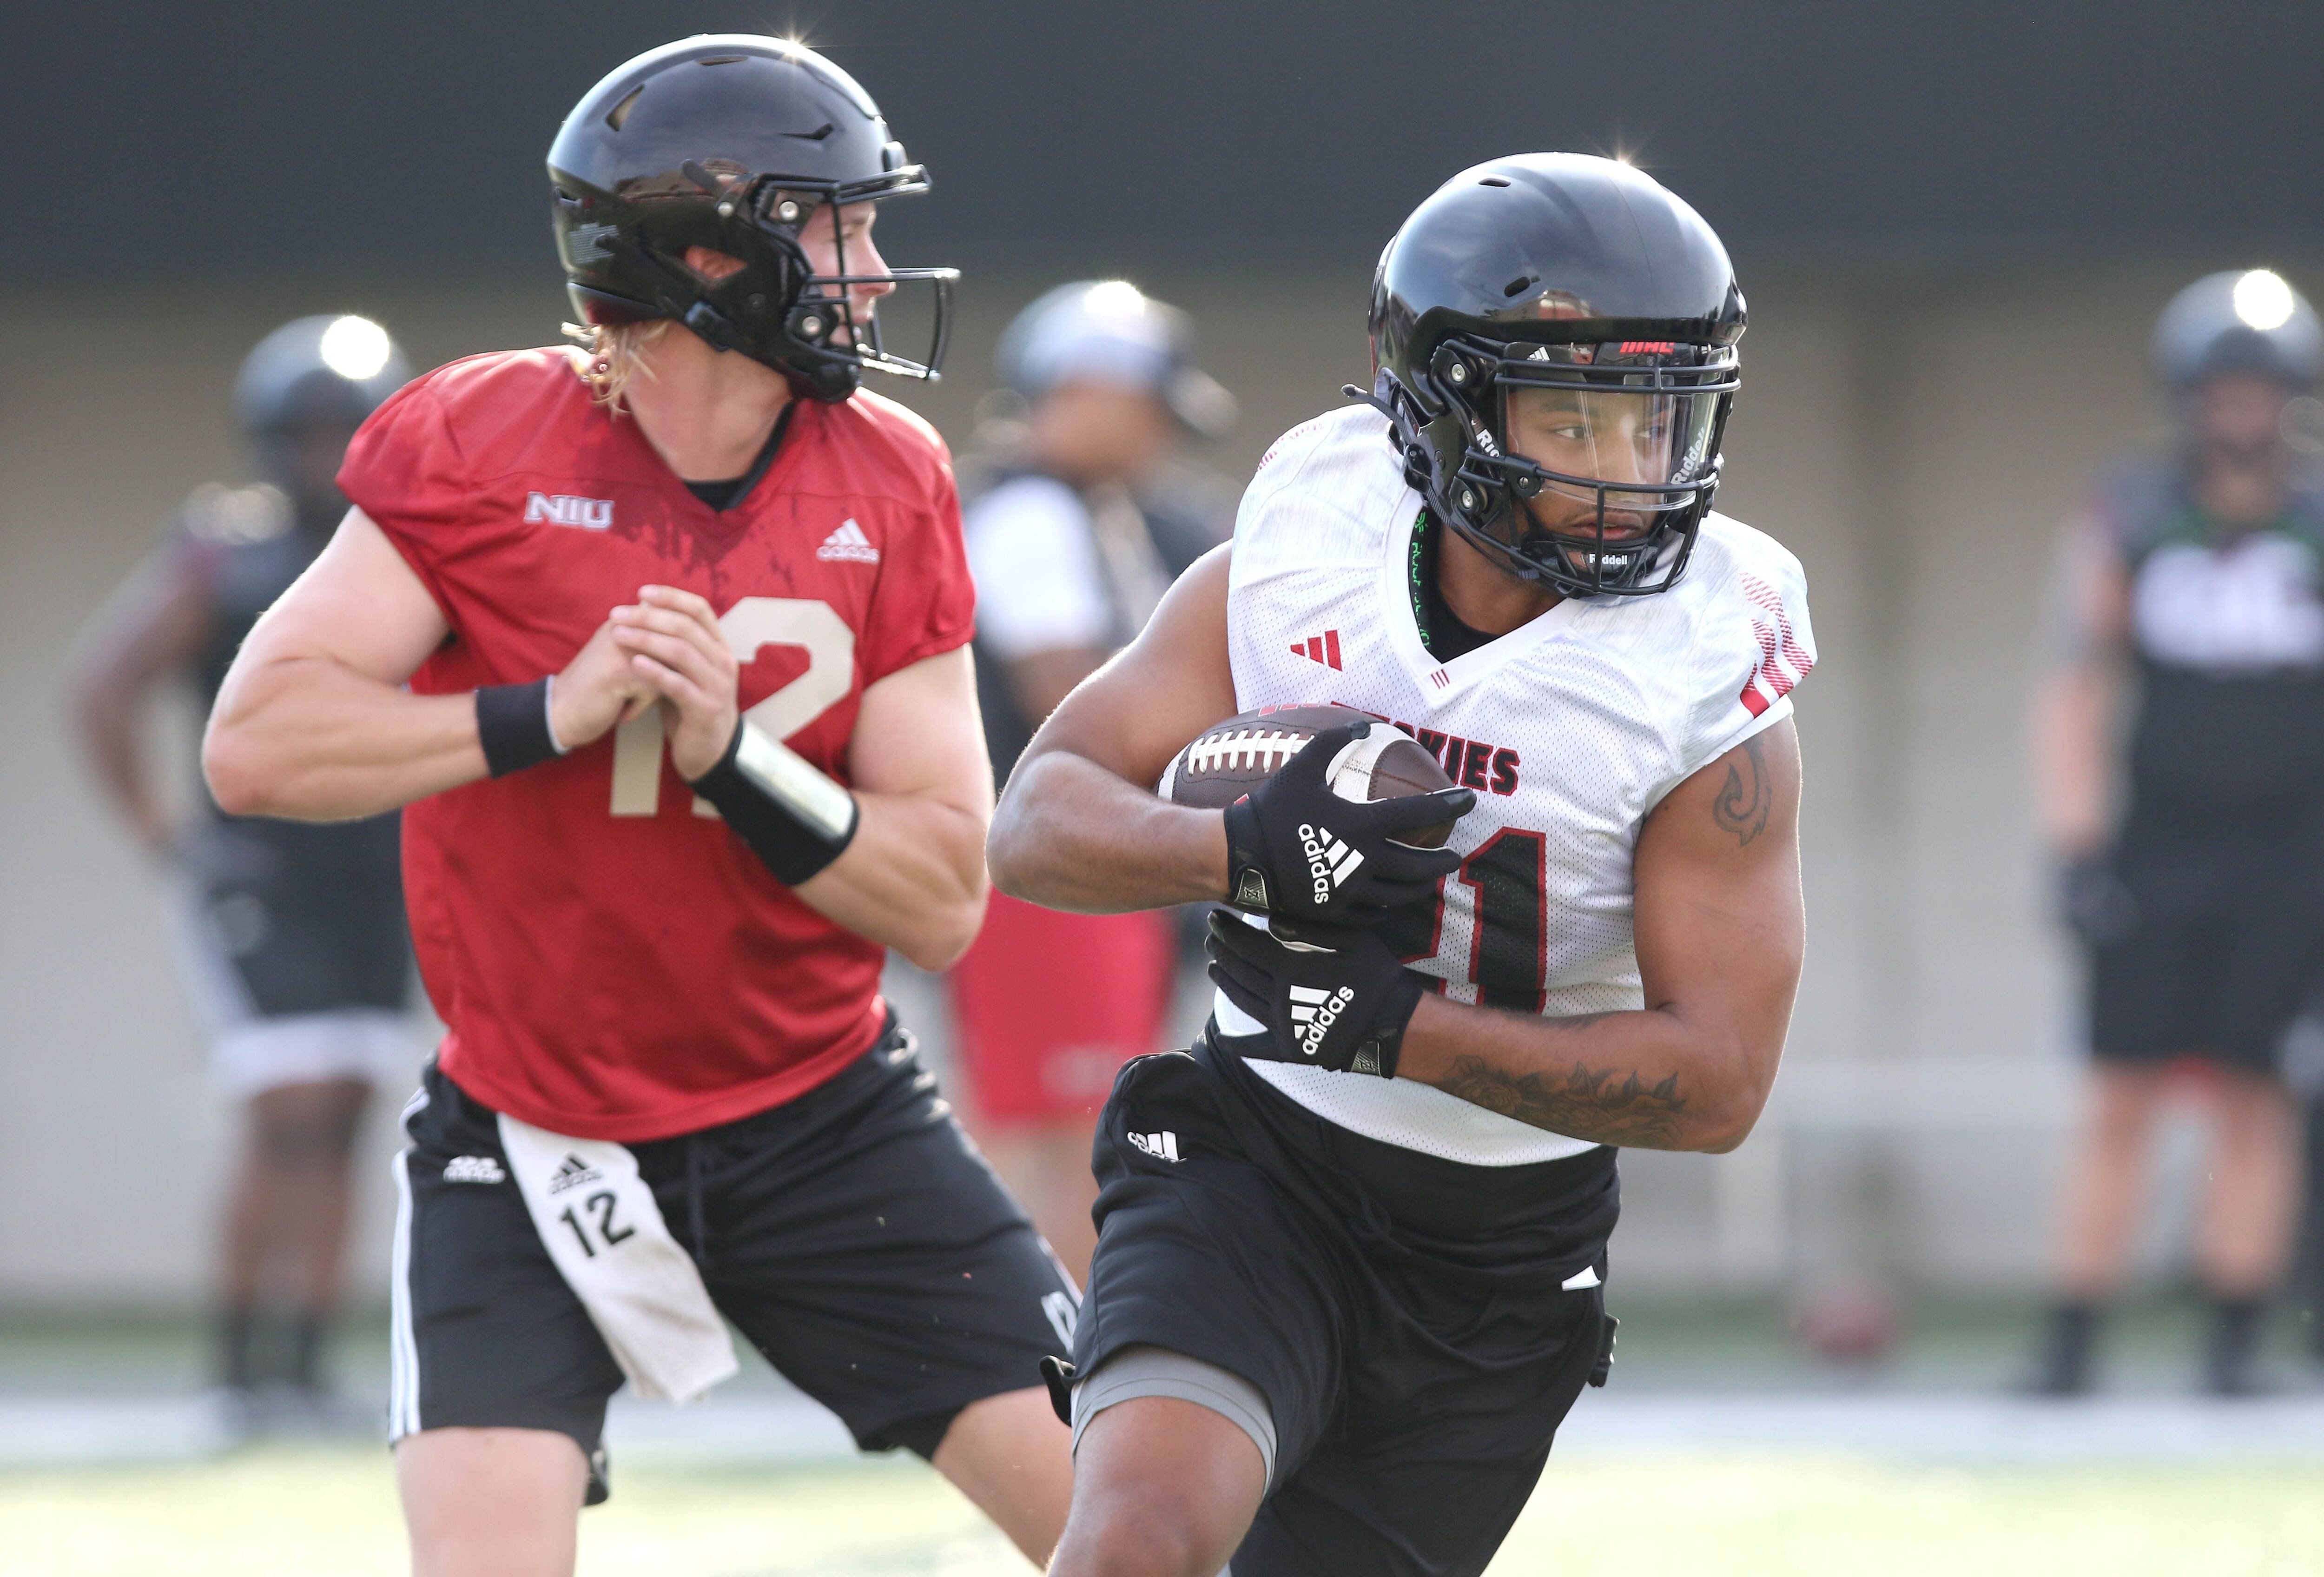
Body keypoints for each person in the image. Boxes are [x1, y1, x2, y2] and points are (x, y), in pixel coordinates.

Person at [200, 35, 1073, 1576]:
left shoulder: (891, 472)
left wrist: (735, 757)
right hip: (534, 1129)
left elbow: (943, 893)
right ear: (702, 253)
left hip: (825, 1112)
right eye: (838, 224)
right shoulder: (479, 439)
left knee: (1146, 1533)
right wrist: (551, 711)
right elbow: (260, 745)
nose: (875, 268)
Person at [986, 152, 1815, 1577]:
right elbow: (1040, 814)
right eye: (1574, 417)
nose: (1629, 472)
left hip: (1498, 1242)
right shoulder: (1314, 533)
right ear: (1441, 405)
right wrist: (1242, 857)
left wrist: (1403, 1035)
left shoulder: (1705, 665)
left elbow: (1721, 1080)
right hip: (1254, 1159)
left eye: (1660, 419)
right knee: (1133, 1541)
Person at [68, 315, 416, 1427]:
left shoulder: (406, 553)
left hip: (371, 870)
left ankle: (303, 1367)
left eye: (341, 435)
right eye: (306, 436)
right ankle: (235, 1367)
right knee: (289, 1107)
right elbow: (102, 684)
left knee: (353, 1109)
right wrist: (165, 835)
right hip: (264, 870)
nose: (323, 456)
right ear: (271, 443)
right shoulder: (223, 557)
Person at [2027, 268, 2324, 1397]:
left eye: (2259, 388)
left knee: (2257, 1093)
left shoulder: (2314, 522)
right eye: (2221, 389)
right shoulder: (2132, 515)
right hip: (2159, 847)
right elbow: (2074, 683)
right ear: (2188, 398)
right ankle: (2070, 1344)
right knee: (2120, 1089)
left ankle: (2234, 1340)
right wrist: (2075, 843)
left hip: (2290, 854)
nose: (2239, 410)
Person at [951, 280, 1236, 1279]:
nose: (1160, 432)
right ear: (1079, 389)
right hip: (1053, 867)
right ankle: (1045, 1379)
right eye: (1145, 402)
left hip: (1082, 863)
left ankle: (1038, 1371)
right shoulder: (1030, 514)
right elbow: (1069, 710)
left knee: (1075, 1128)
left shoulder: (1103, 514)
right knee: (1067, 1138)